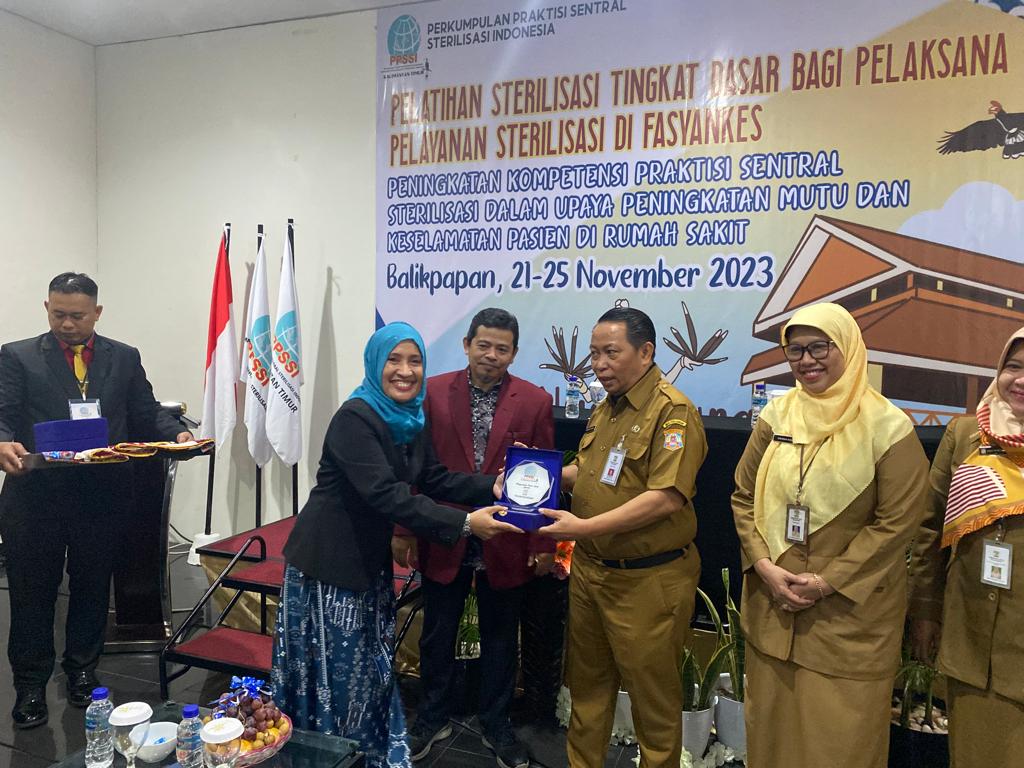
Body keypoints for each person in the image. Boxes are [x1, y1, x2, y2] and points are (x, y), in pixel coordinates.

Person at [272, 321, 522, 768]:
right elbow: (389, 495)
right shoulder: (355, 418)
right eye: (394, 360)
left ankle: (362, 749)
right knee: (336, 674)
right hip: (329, 567)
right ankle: (328, 754)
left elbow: (434, 478)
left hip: (366, 564)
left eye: (415, 361)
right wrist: (466, 524)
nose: (405, 371)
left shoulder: (409, 419)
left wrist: (493, 487)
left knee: (365, 670)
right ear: (375, 363)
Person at [732, 302, 929, 768]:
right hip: (774, 611)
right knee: (770, 741)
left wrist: (826, 582)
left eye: (820, 347)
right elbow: (743, 496)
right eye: (795, 350)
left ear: (848, 347)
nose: (807, 360)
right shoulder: (777, 415)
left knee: (839, 746)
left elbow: (896, 523)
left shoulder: (889, 427)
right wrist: (764, 566)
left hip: (846, 623)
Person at [0, 272, 191, 728]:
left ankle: (83, 673)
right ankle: (30, 686)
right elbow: (2, 413)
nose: (67, 324)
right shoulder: (17, 355)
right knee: (31, 594)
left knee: (91, 588)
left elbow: (145, 411)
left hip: (101, 496)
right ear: (46, 308)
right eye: (58, 314)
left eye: (77, 316)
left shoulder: (123, 357)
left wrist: (178, 434)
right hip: (35, 497)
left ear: (97, 313)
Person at [537, 306, 707, 768]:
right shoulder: (606, 407)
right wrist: (536, 475)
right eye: (594, 354)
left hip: (647, 581)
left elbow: (666, 497)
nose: (599, 364)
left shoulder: (672, 412)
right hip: (592, 574)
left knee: (654, 704)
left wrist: (583, 528)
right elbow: (591, 472)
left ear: (646, 352)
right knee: (587, 692)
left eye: (611, 352)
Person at [391, 308, 554, 768]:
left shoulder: (535, 401)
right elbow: (412, 469)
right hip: (444, 530)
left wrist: (543, 544)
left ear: (514, 353)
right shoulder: (431, 393)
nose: (491, 355)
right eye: (483, 345)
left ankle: (496, 723)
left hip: (507, 536)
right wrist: (404, 529)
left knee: (501, 636)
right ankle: (432, 716)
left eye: (502, 348)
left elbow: (544, 477)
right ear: (466, 345)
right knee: (437, 632)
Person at [909, 326, 1024, 767]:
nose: (1020, 380)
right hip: (970, 639)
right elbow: (928, 530)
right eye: (1013, 367)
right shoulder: (965, 435)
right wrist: (925, 612)